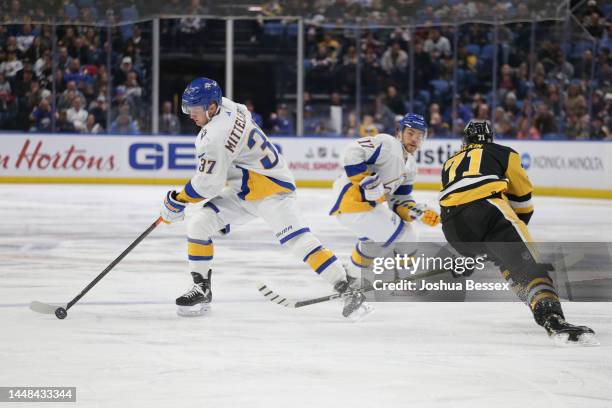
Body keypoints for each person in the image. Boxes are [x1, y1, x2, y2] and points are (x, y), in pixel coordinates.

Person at [159, 77, 367, 319]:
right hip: (245, 189)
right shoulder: (229, 105)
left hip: (272, 188)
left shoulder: (214, 136)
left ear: (212, 107)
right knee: (200, 223)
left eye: (195, 110)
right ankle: (202, 288)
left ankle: (346, 285)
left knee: (297, 240)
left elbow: (207, 185)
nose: (191, 115)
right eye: (188, 109)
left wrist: (177, 200)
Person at [438, 119, 597, 345]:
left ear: (466, 140)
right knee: (528, 266)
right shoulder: (503, 152)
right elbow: (522, 200)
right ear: (490, 138)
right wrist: (513, 239)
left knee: (505, 263)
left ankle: (531, 297)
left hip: (452, 227)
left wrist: (467, 254)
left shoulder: (449, 162)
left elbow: (455, 201)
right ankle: (552, 318)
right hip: (488, 210)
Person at [330, 113, 440, 286]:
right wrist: (364, 180)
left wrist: (417, 212)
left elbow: (398, 200)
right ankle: (406, 280)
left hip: (364, 207)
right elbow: (352, 151)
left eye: (419, 136)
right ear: (399, 132)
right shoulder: (388, 143)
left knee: (372, 242)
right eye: (410, 133)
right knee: (406, 235)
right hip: (351, 199)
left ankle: (349, 279)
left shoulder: (410, 166)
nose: (414, 139)